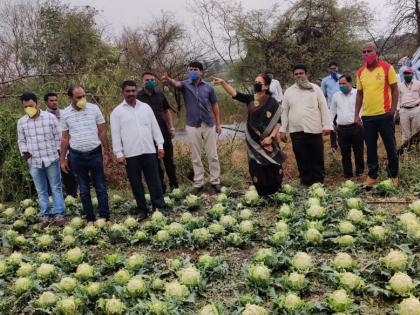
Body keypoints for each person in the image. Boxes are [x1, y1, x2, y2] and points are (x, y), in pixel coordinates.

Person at [213, 74, 285, 195]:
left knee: (272, 165)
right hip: (253, 142)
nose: (256, 84)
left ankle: (275, 192)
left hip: (269, 141)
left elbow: (278, 123)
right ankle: (262, 193)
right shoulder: (251, 99)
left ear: (266, 86)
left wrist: (271, 137)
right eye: (255, 82)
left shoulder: (272, 102)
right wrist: (223, 83)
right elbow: (235, 94)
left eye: (259, 83)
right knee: (256, 166)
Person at [161, 61, 221, 195]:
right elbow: (176, 84)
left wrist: (218, 123)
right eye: (190, 69)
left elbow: (215, 105)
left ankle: (215, 182)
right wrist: (169, 79)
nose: (192, 71)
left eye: (195, 69)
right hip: (192, 124)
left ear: (201, 72)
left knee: (213, 155)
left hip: (208, 124)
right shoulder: (185, 84)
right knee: (196, 156)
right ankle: (198, 183)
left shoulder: (208, 87)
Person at [111, 80, 167, 220]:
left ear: (136, 91)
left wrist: (160, 145)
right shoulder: (117, 112)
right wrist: (119, 153)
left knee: (154, 181)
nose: (131, 93)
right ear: (123, 92)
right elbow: (115, 135)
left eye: (133, 91)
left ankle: (159, 207)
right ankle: (142, 210)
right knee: (136, 183)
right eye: (128, 91)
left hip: (148, 151)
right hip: (131, 154)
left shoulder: (146, 107)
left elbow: (155, 127)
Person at [60, 85, 111, 224]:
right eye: (78, 97)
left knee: (100, 187)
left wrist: (106, 152)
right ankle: (90, 218)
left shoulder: (94, 108)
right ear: (70, 98)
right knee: (83, 189)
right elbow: (65, 138)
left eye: (84, 96)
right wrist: (62, 159)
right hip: (76, 156)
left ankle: (105, 217)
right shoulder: (65, 113)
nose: (82, 99)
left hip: (95, 153)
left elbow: (102, 131)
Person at [17, 92, 66, 228]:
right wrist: (24, 153)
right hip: (34, 161)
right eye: (25, 107)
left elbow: (59, 137)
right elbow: (21, 141)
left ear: (37, 103)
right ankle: (46, 215)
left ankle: (59, 214)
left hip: (51, 158)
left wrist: (59, 152)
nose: (29, 109)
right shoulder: (22, 122)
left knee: (56, 187)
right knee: (41, 190)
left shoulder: (50, 118)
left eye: (31, 105)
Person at [279, 64, 333, 186]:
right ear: (293, 76)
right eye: (296, 74)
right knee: (301, 157)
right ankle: (305, 182)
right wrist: (283, 129)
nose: (299, 76)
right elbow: (284, 111)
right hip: (296, 131)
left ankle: (318, 183)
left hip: (314, 129)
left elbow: (323, 107)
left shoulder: (315, 89)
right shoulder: (289, 92)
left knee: (317, 157)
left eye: (301, 73)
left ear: (306, 74)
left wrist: (327, 125)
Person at [355, 42, 399, 187]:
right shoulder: (360, 72)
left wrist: (392, 110)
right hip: (368, 117)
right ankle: (373, 176)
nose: (366, 54)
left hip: (385, 115)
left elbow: (395, 89)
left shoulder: (387, 68)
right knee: (371, 148)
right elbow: (359, 94)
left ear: (376, 51)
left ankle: (393, 176)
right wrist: (357, 115)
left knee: (390, 147)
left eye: (369, 51)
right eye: (364, 51)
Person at [137, 72, 178, 192]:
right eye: (147, 80)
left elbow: (167, 111)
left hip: (164, 132)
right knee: (155, 163)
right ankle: (161, 187)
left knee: (169, 161)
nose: (150, 82)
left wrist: (171, 128)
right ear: (142, 82)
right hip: (148, 136)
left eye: (152, 80)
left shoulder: (160, 95)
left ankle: (174, 186)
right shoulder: (138, 98)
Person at [44, 92, 78, 198]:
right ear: (46, 102)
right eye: (51, 101)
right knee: (53, 177)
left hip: (67, 149)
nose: (54, 102)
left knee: (69, 175)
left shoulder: (64, 113)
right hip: (52, 151)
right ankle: (56, 199)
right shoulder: (44, 117)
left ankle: (72, 197)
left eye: (55, 100)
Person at [331, 74, 364, 178]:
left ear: (350, 83)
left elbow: (364, 107)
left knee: (358, 152)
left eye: (344, 83)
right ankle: (348, 174)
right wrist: (331, 123)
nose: (341, 86)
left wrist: (361, 118)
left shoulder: (357, 94)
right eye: (340, 84)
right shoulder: (336, 96)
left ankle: (360, 173)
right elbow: (332, 111)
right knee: (345, 153)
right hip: (342, 129)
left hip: (356, 127)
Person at [321, 62, 341, 152]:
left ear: (337, 68)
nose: (333, 70)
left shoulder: (342, 77)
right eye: (331, 69)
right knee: (332, 126)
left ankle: (343, 144)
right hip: (331, 107)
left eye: (334, 68)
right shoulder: (325, 80)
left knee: (342, 125)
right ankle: (333, 146)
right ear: (329, 70)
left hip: (342, 106)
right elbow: (323, 94)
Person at [397, 66, 420, 144]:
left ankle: (415, 151)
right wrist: (398, 110)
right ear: (403, 75)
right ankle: (405, 152)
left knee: (416, 131)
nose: (407, 75)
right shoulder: (399, 86)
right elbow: (398, 99)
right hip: (404, 111)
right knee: (405, 133)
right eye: (405, 74)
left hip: (416, 109)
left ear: (412, 74)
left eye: (409, 73)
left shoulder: (418, 83)